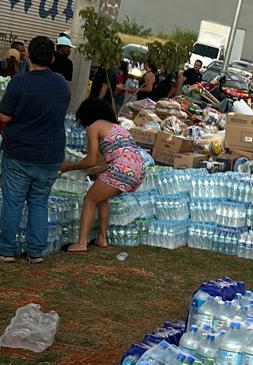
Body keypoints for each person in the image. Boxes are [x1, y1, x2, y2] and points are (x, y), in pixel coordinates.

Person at [0, 34, 70, 263]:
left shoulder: (19, 83)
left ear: (28, 55)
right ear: (52, 57)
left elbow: (4, 116)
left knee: (13, 202)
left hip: (20, 153)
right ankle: (36, 252)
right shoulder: (61, 83)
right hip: (50, 155)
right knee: (39, 202)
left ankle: (6, 251)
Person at [59, 99, 146, 252]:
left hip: (121, 169)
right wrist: (98, 170)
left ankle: (81, 243)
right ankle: (102, 238)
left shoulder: (94, 127)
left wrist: (67, 167)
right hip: (138, 170)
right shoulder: (119, 129)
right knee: (101, 198)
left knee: (90, 199)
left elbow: (90, 160)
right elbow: (119, 156)